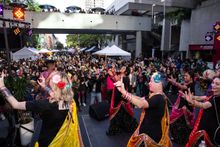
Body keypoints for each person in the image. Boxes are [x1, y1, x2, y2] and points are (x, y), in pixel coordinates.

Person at [0, 71, 84, 147]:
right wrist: (44, 86)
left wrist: (2, 87)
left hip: (48, 142)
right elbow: (54, 94)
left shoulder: (45, 104)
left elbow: (15, 104)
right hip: (63, 140)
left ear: (54, 86)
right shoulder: (70, 101)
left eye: (50, 79)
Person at [114, 72, 171, 146]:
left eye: (151, 81)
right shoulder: (156, 95)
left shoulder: (158, 98)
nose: (149, 83)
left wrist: (124, 92)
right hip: (149, 133)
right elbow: (140, 99)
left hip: (150, 136)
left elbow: (141, 104)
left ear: (159, 84)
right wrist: (125, 92)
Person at [185, 77, 220, 146]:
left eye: (217, 84)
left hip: (210, 130)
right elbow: (203, 97)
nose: (213, 85)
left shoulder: (217, 99)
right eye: (213, 83)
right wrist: (192, 97)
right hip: (205, 125)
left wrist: (192, 101)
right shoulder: (214, 94)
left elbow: (204, 105)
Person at [106, 66, 138, 136]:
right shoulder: (121, 76)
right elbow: (115, 80)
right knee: (120, 114)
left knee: (122, 113)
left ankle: (123, 127)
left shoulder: (125, 78)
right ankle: (119, 127)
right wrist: (113, 74)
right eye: (122, 67)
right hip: (118, 96)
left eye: (123, 68)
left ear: (126, 72)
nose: (121, 68)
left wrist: (113, 75)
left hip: (121, 98)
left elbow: (118, 82)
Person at [168, 70, 195, 144]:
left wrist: (174, 82)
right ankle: (180, 139)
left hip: (185, 108)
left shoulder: (191, 85)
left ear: (191, 77)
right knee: (177, 124)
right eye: (184, 76)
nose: (185, 77)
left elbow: (182, 87)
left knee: (181, 125)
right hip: (182, 107)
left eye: (186, 76)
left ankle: (183, 141)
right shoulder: (187, 83)